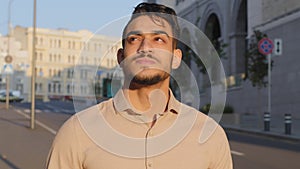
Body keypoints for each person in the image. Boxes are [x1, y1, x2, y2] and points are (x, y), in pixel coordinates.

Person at [46, 2, 233, 169]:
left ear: (176, 58)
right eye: (134, 39)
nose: (145, 48)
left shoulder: (210, 134)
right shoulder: (78, 131)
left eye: (158, 39)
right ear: (121, 57)